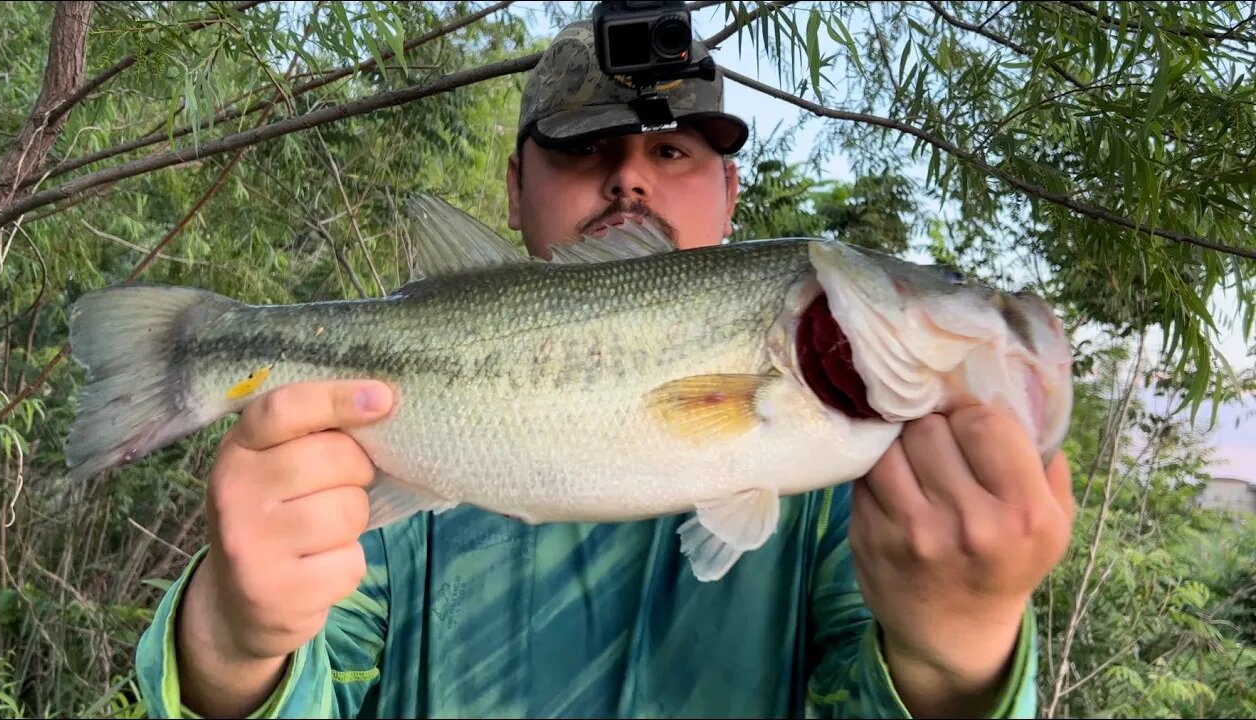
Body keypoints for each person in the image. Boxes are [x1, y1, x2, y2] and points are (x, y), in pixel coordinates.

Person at [134, 20, 1075, 720]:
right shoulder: (362, 483)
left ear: (730, 191)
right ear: (512, 187)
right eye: (587, 150)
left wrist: (959, 653)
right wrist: (228, 646)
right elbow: (307, 668)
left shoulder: (872, 501)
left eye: (672, 151)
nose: (632, 181)